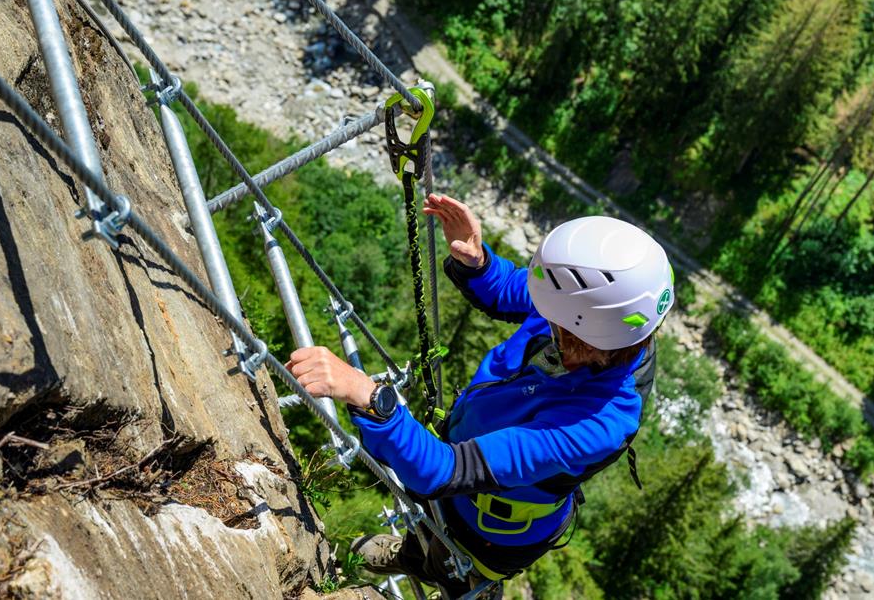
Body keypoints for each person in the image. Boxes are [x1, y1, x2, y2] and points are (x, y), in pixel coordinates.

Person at [286, 193, 674, 595]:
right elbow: (510, 290)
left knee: (455, 571)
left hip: (494, 532)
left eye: (557, 323)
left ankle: (458, 578)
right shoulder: (598, 319)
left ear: (587, 334)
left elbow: (444, 471)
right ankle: (413, 556)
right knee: (427, 529)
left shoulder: (599, 422)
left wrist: (370, 397)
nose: (545, 319)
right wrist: (478, 263)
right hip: (459, 472)